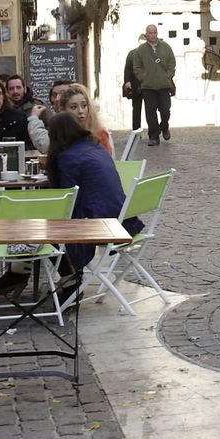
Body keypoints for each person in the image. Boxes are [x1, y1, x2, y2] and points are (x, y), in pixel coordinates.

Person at [45, 112, 140, 304]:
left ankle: (70, 282)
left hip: (103, 224)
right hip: (123, 219)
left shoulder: (68, 158)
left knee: (44, 231)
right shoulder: (95, 145)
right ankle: (69, 279)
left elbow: (67, 200)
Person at [129, 24, 175, 146]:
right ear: (146, 35)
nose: (153, 35)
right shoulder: (140, 50)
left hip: (164, 86)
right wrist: (143, 78)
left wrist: (168, 76)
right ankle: (154, 136)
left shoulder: (166, 47)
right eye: (150, 33)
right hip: (148, 87)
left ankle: (164, 126)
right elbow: (137, 67)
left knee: (165, 111)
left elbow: (171, 63)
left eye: (154, 32)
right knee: (150, 112)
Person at [58, 83, 114, 155]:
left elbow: (106, 162)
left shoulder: (99, 133)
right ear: (63, 110)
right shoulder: (60, 134)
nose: (80, 111)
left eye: (84, 106)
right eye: (73, 107)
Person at [121, 47, 142, 134]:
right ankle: (136, 131)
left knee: (150, 109)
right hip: (136, 86)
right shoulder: (132, 53)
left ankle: (153, 133)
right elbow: (128, 68)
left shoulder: (151, 53)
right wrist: (127, 81)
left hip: (148, 85)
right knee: (136, 109)